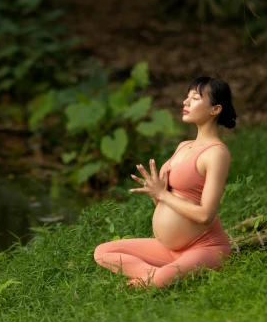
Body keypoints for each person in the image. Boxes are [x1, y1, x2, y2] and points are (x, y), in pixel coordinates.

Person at [94, 77, 237, 288]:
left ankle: (155, 278)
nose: (185, 103)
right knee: (103, 252)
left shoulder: (216, 153)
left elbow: (206, 215)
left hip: (205, 247)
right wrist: (156, 193)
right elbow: (167, 200)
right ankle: (155, 275)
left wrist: (163, 194)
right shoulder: (183, 146)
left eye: (195, 98)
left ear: (215, 109)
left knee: (153, 284)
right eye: (187, 97)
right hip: (171, 250)